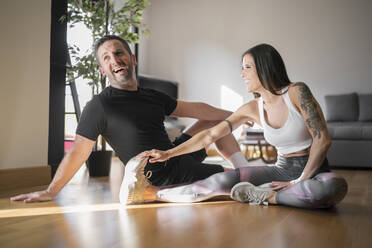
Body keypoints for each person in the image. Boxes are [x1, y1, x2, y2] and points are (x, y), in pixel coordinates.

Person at [10, 35, 250, 203]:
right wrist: (51, 191)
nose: (114, 59)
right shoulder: (99, 105)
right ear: (103, 70)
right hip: (158, 173)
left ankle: (246, 170)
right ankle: (169, 191)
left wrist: (239, 115)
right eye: (106, 58)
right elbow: (78, 152)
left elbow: (198, 110)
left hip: (173, 154)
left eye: (118, 53)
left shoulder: (152, 96)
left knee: (217, 123)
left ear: (132, 59)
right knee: (231, 178)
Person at [122, 43, 348, 208]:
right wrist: (168, 154)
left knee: (333, 188)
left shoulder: (297, 92)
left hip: (314, 171)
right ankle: (154, 193)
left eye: (247, 67)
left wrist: (300, 180)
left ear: (263, 67)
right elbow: (209, 135)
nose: (242, 74)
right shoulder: (251, 107)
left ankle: (267, 196)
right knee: (220, 180)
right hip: (280, 170)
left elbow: (322, 140)